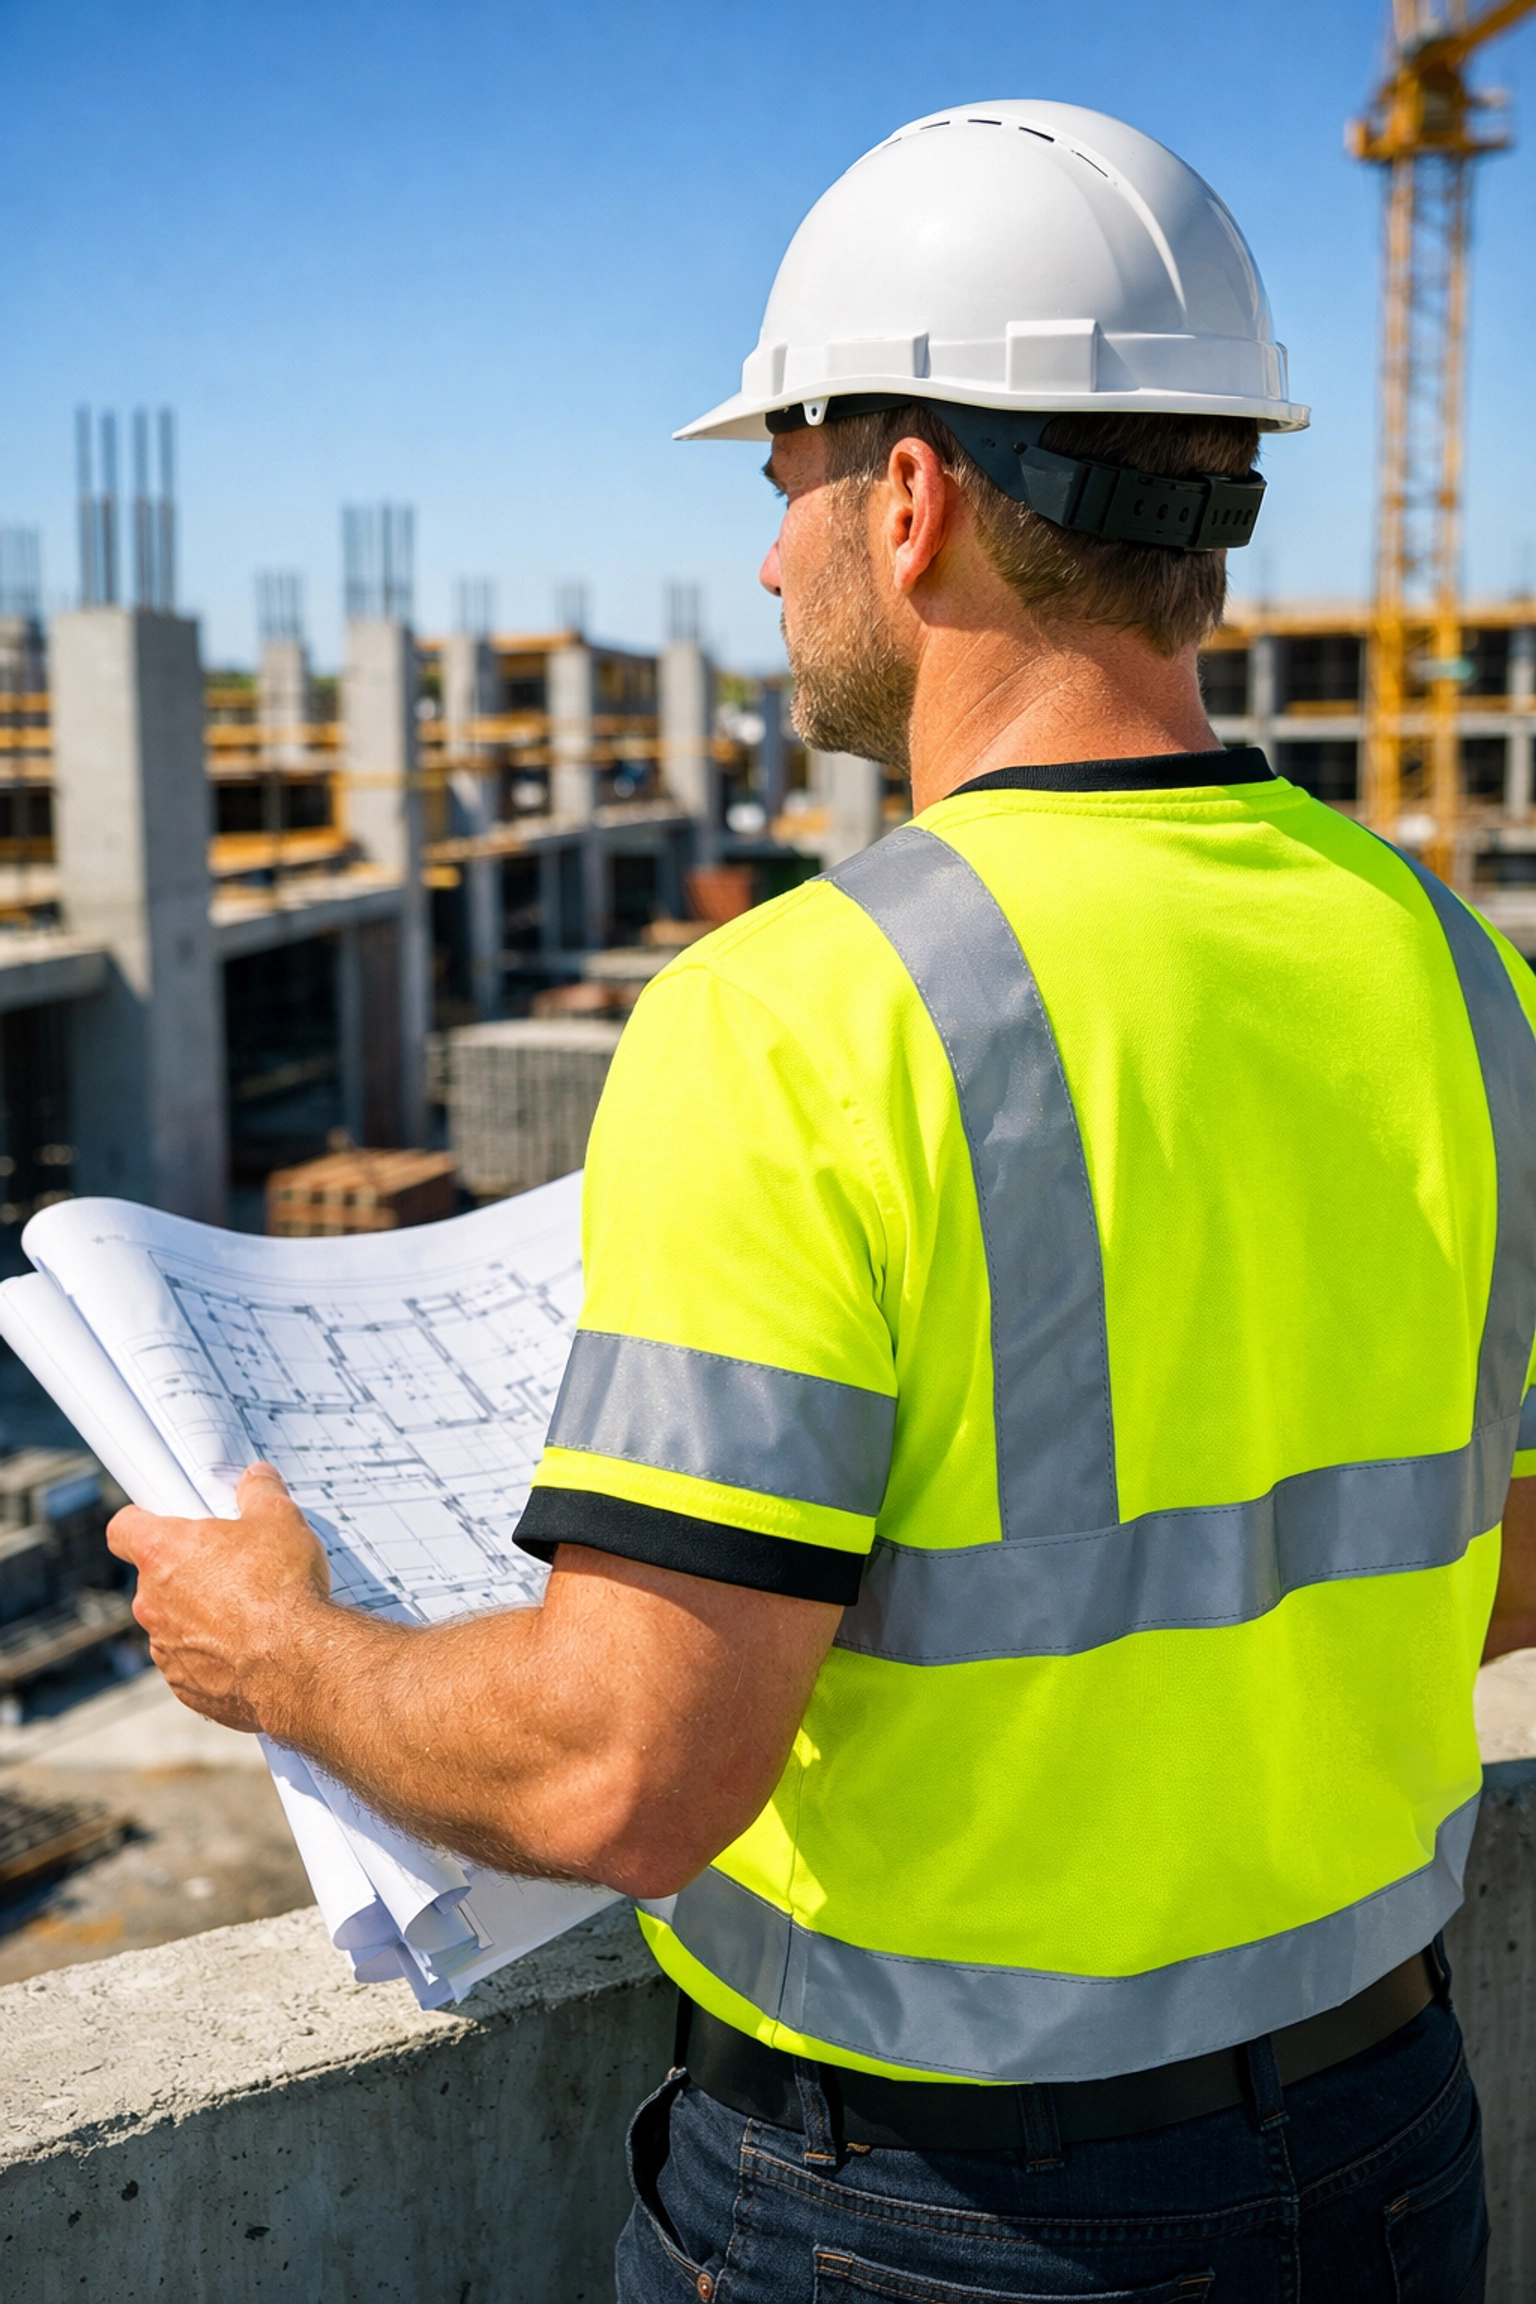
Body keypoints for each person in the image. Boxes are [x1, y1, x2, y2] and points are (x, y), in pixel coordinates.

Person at [112, 102, 1536, 2302]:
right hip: (1387, 2143)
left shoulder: (808, 1015)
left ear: (909, 495)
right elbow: (1483, 1551)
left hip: (933, 2225)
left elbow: (622, 1779)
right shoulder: (1458, 968)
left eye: (784, 479)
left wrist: (279, 1651)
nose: (772, 559)